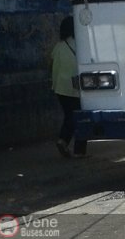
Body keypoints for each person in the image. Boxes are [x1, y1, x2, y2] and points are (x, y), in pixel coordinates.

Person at [51, 16, 87, 158]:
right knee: (82, 117)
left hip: (59, 87)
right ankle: (79, 150)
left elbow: (51, 62)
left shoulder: (58, 46)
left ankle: (63, 140)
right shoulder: (79, 44)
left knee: (69, 116)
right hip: (75, 87)